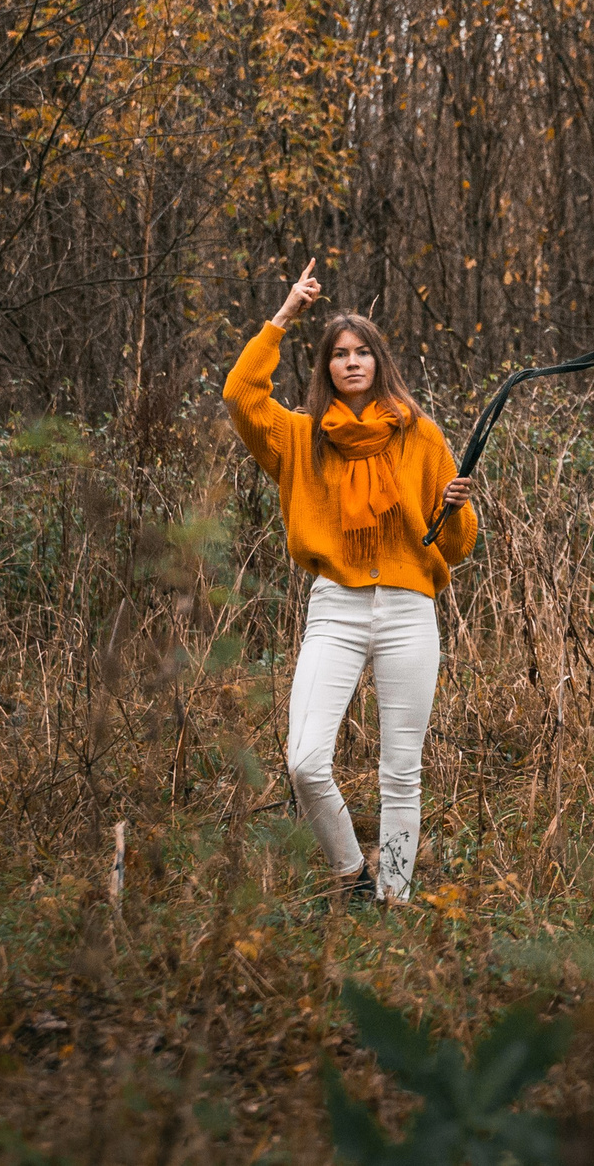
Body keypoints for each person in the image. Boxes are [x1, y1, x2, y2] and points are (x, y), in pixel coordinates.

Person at [225, 259, 476, 904]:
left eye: (363, 352)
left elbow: (456, 545)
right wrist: (283, 318)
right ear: (327, 368)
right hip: (334, 608)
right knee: (306, 760)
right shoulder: (299, 438)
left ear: (380, 363)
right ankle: (352, 876)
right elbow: (239, 396)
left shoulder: (420, 436)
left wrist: (455, 505)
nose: (352, 362)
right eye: (340, 354)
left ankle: (393, 899)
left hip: (408, 609)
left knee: (401, 773)